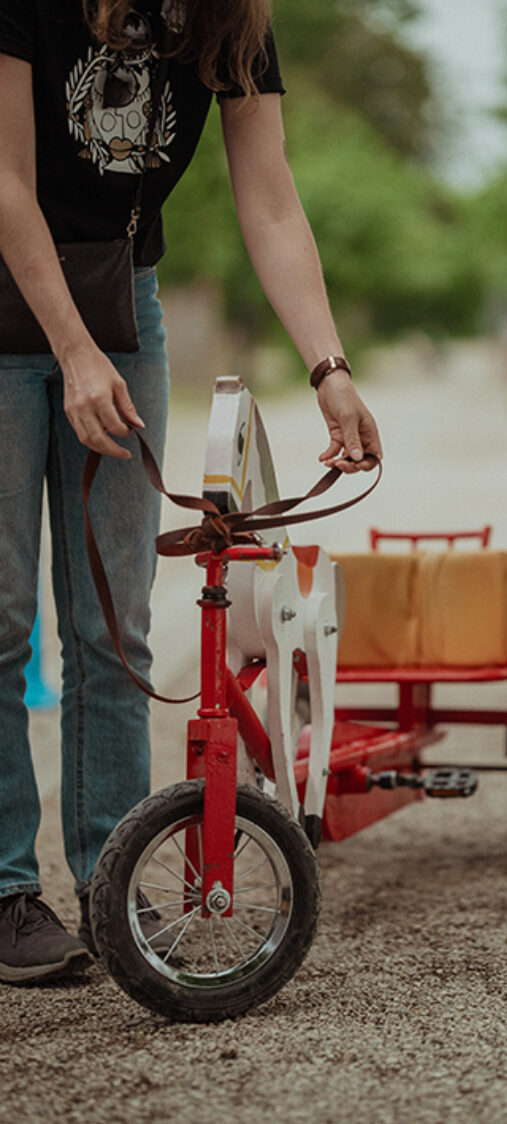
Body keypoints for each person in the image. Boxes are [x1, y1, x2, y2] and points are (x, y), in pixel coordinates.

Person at [0, 0, 382, 984]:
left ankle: (105, 882)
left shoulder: (230, 18)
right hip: (12, 295)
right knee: (1, 622)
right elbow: (4, 180)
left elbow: (270, 198)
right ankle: (4, 892)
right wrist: (72, 350)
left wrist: (327, 366)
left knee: (113, 625)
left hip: (124, 297)